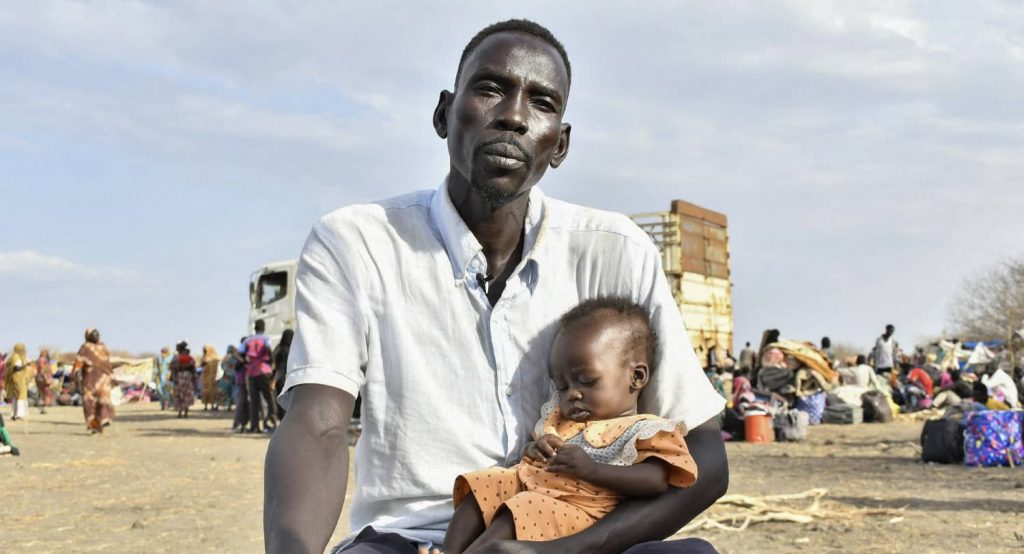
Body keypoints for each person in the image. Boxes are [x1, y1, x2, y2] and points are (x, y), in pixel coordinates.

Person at [265, 19, 726, 554]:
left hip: (576, 535)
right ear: (444, 113)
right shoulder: (357, 241)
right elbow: (318, 424)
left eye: (542, 103)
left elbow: (706, 459)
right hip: (411, 539)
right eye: (490, 89)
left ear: (561, 145)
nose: (512, 115)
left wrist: (553, 553)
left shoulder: (616, 250)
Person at [443, 299, 697, 552]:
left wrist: (593, 470)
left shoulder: (645, 428)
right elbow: (532, 460)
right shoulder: (560, 421)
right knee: (486, 482)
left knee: (524, 507)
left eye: (587, 380)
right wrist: (534, 449)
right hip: (529, 487)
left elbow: (657, 480)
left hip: (581, 513)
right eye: (562, 387)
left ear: (636, 376)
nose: (572, 394)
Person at [73, 329, 115, 433]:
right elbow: (78, 366)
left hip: (99, 380)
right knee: (93, 403)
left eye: (97, 334)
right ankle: (97, 425)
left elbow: (107, 364)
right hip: (94, 381)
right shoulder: (88, 348)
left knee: (98, 403)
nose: (96, 336)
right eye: (94, 335)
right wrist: (78, 382)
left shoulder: (98, 347)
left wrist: (112, 378)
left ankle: (101, 421)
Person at [241, 320, 276, 433]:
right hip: (263, 370)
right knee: (269, 399)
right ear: (263, 328)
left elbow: (239, 352)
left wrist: (245, 362)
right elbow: (269, 349)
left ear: (255, 328)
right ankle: (271, 422)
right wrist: (271, 363)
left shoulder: (247, 340)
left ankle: (254, 426)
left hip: (251, 372)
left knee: (254, 401)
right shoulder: (266, 339)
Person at [5, 343, 32, 420]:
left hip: (16, 378)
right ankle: (20, 414)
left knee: (16, 396)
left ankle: (14, 413)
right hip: (18, 378)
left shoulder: (13, 357)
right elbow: (16, 368)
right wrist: (26, 365)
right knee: (21, 395)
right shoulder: (16, 357)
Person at [170, 342, 197, 419]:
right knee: (186, 394)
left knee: (180, 394)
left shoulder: (176, 358)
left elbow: (173, 368)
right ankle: (185, 412)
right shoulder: (190, 358)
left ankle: (180, 413)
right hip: (188, 377)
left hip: (179, 377)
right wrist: (194, 378)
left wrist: (174, 377)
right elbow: (193, 368)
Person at [271, 329, 293, 420]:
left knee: (281, 404)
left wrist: (273, 381)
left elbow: (279, 367)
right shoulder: (294, 350)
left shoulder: (280, 349)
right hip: (292, 381)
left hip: (281, 381)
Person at [230, 339, 250, 433]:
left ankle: (243, 424)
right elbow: (237, 368)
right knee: (242, 403)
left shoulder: (247, 356)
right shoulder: (240, 358)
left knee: (246, 404)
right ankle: (238, 423)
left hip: (247, 381)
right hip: (242, 381)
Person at [200, 345, 222, 411]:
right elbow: (201, 365)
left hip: (213, 378)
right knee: (206, 391)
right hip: (205, 378)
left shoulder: (215, 357)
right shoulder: (204, 357)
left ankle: (214, 405)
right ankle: (206, 406)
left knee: (213, 391)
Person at [154, 347, 175, 411]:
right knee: (160, 391)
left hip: (168, 377)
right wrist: (155, 376)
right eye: (163, 351)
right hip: (160, 378)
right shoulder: (158, 358)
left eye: (165, 351)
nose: (163, 353)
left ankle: (166, 405)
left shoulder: (172, 357)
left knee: (167, 392)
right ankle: (163, 405)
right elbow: (155, 367)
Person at [219, 344, 239, 413]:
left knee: (227, 391)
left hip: (226, 376)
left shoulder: (225, 357)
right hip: (234, 376)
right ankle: (232, 405)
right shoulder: (235, 356)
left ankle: (228, 406)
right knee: (233, 390)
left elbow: (222, 366)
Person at [35, 349, 54, 414]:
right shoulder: (43, 360)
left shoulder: (39, 359)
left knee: (41, 393)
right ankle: (43, 408)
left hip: (39, 377)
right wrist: (46, 377)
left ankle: (42, 408)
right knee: (45, 393)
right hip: (43, 378)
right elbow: (42, 368)